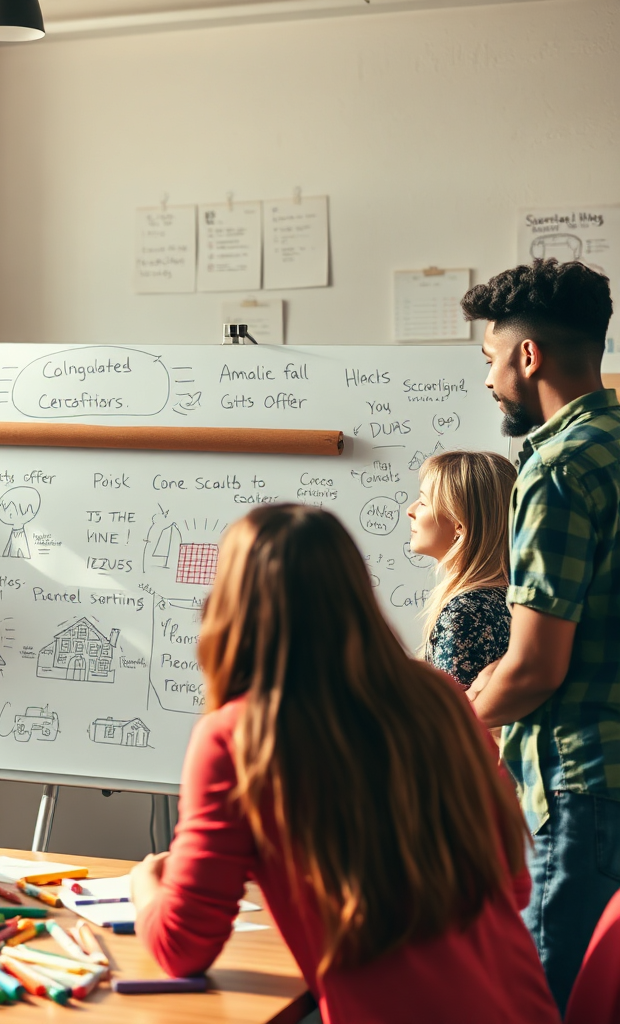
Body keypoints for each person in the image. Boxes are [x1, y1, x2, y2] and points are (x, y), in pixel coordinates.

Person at [130, 504, 559, 1024]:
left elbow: (181, 947)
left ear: (231, 607)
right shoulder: (438, 697)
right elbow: (513, 885)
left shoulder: (238, 736)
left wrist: (145, 886)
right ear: (356, 592)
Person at [462, 259, 620, 1014]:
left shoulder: (557, 468)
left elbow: (534, 669)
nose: (490, 379)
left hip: (581, 784)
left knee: (542, 1002)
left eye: (492, 358)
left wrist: (444, 720)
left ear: (529, 356)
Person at [407, 450, 516, 688]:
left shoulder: (466, 612)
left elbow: (444, 720)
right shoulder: (505, 597)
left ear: (458, 525)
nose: (410, 510)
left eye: (423, 502)